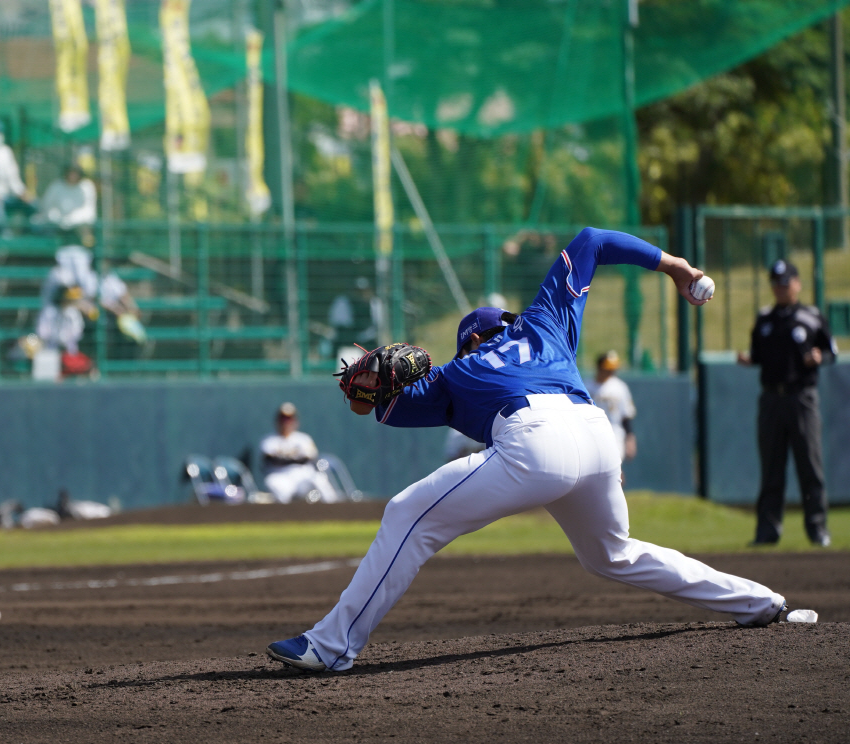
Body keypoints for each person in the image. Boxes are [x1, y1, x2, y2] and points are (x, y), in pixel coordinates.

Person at [266, 227, 815, 674]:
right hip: (596, 437)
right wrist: (675, 266)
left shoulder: (456, 373)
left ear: (471, 341)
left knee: (407, 513)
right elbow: (594, 239)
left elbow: (379, 409)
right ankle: (760, 602)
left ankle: (332, 646)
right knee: (613, 554)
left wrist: (367, 386)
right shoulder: (545, 322)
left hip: (534, 442)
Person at [736, 259, 836, 547]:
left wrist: (820, 358)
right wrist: (749, 360)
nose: (780, 288)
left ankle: (818, 530)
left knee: (810, 466)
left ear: (797, 284)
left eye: (785, 282)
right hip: (770, 398)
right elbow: (758, 354)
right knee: (771, 467)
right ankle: (767, 532)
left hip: (801, 397)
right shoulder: (765, 318)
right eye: (776, 283)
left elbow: (831, 352)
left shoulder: (812, 316)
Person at [259, 402, 339, 504]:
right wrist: (296, 459)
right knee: (275, 486)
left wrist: (286, 458)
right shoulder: (269, 440)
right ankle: (285, 517)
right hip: (280, 475)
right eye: (283, 418)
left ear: (295, 421)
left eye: (289, 419)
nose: (286, 422)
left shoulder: (303, 439)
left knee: (319, 478)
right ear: (277, 420)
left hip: (302, 475)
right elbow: (271, 460)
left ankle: (334, 509)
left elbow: (310, 458)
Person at [586, 350, 637, 465]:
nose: (611, 371)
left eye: (613, 368)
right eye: (608, 368)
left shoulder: (619, 387)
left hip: (615, 433)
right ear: (599, 367)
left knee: (613, 467)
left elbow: (626, 415)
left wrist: (630, 438)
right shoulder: (586, 386)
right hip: (591, 433)